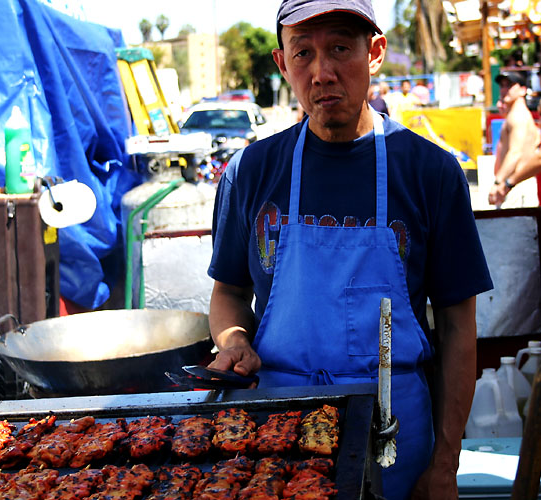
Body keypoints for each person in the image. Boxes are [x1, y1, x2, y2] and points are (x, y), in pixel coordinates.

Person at [207, 1, 493, 499]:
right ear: (282, 64)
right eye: (303, 54)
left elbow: (457, 327)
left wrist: (446, 462)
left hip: (398, 436)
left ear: (374, 52)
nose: (321, 72)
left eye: (340, 48)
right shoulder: (249, 172)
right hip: (279, 432)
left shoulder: (431, 173)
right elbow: (229, 291)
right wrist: (233, 340)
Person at [488, 71, 540, 206]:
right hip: (512, 183)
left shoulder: (518, 115)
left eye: (509, 85)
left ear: (523, 90)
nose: (504, 90)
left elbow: (516, 153)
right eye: (502, 85)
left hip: (515, 184)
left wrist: (499, 183)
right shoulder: (513, 115)